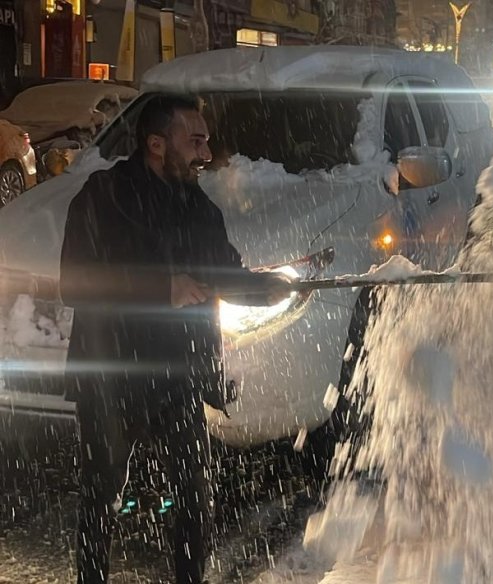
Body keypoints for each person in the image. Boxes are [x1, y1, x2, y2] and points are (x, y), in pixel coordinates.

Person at [59, 93, 293, 584]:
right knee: (101, 494)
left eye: (206, 141)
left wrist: (265, 289)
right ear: (156, 143)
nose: (206, 154)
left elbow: (222, 274)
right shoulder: (104, 197)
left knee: (192, 496)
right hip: (111, 370)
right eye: (196, 140)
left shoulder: (199, 210)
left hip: (178, 373)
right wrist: (162, 289)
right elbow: (75, 284)